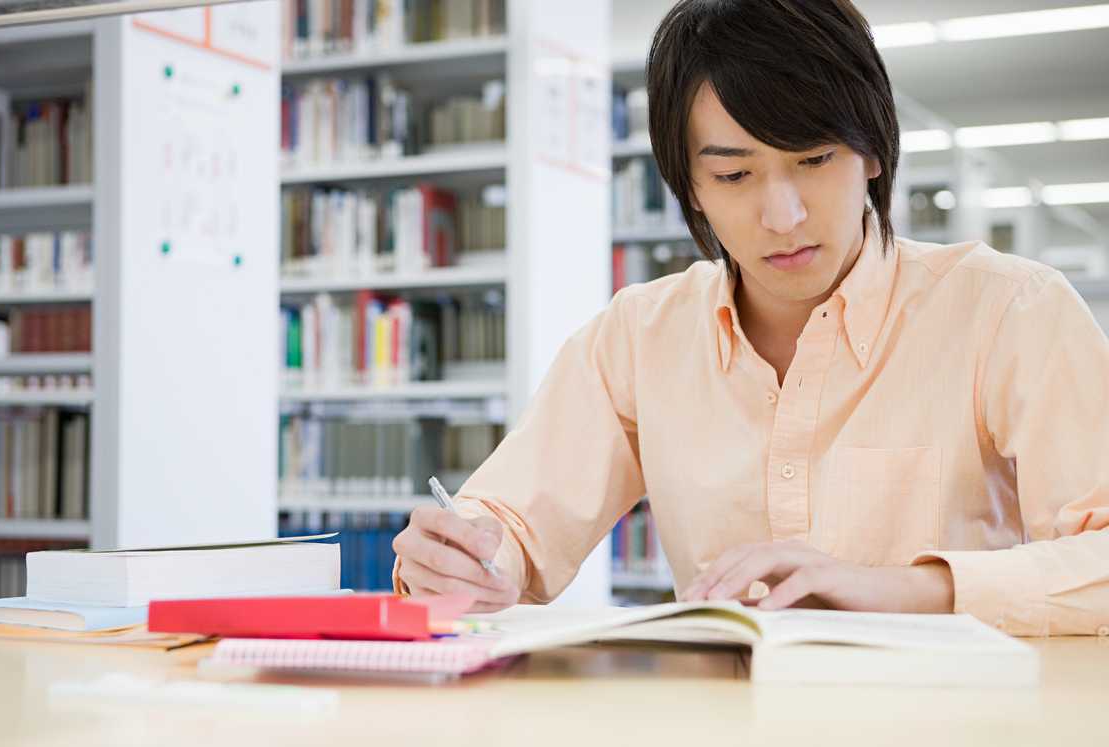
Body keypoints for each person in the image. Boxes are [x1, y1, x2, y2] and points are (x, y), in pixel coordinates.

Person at [391, 0, 1109, 636]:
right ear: (692, 188)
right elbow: (510, 526)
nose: (783, 216)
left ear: (872, 153)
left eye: (814, 158)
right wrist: (468, 561)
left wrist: (901, 587)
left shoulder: (1010, 310)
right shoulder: (640, 338)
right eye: (734, 175)